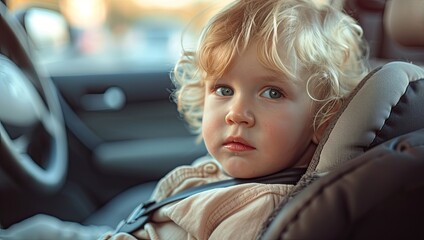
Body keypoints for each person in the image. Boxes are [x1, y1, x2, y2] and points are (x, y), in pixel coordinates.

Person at [0, 0, 369, 239]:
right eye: (223, 89)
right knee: (39, 229)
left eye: (272, 92)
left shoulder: (261, 208)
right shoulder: (236, 173)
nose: (236, 112)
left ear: (323, 118)